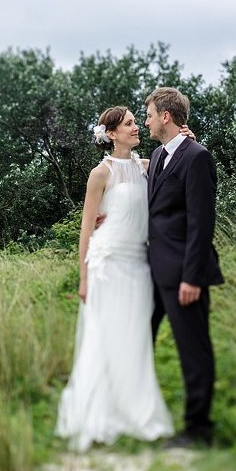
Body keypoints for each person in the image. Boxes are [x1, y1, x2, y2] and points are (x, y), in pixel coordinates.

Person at [55, 106, 195, 451]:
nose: (136, 127)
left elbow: (177, 165)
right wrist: (83, 278)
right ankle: (98, 415)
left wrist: (186, 138)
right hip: (107, 263)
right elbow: (86, 231)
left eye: (137, 121)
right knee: (103, 338)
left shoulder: (147, 166)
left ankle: (134, 411)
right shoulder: (99, 174)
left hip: (139, 265)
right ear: (112, 134)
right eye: (130, 124)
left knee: (133, 340)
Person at [144, 87, 224, 448]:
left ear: (166, 116)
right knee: (137, 340)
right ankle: (139, 413)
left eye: (148, 114)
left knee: (193, 349)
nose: (144, 121)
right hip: (153, 271)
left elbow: (201, 223)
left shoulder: (197, 157)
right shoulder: (157, 154)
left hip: (183, 275)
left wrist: (192, 276)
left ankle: (198, 429)